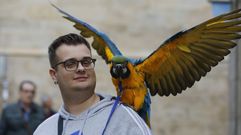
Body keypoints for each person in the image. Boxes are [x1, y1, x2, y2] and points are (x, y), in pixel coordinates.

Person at [34, 33, 152, 135]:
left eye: (86, 62)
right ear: (54, 75)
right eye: (70, 64)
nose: (81, 68)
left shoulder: (125, 119)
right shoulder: (44, 130)